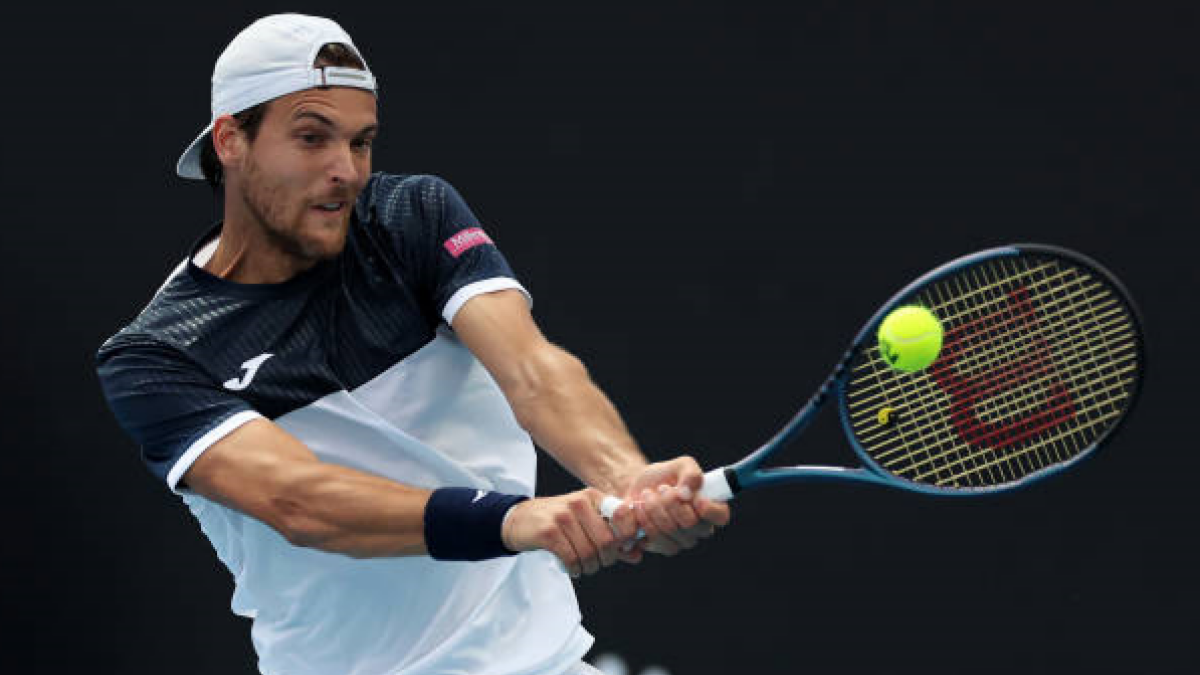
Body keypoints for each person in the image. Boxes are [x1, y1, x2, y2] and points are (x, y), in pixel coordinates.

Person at [95, 13, 729, 675]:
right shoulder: (157, 354)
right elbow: (302, 501)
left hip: (539, 661)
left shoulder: (411, 218)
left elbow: (534, 370)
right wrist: (515, 520)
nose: (346, 169)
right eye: (312, 138)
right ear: (231, 140)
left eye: (361, 142)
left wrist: (624, 475)